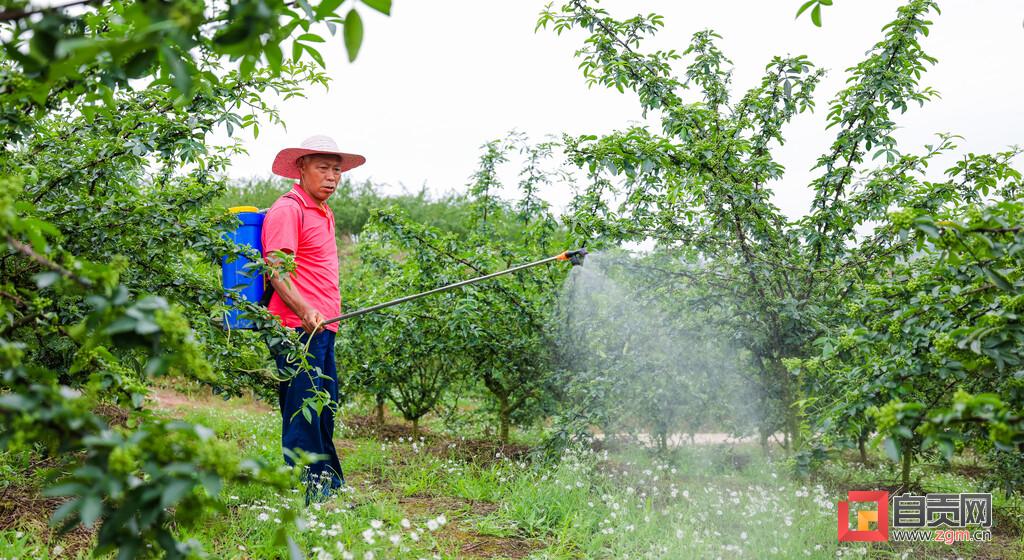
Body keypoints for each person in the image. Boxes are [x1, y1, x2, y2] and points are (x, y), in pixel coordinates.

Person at [262, 135, 365, 502]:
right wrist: (305, 310)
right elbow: (276, 269)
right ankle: (312, 492)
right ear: (301, 168)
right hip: (296, 329)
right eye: (323, 168)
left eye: (336, 170)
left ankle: (328, 486)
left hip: (322, 327)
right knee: (303, 410)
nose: (332, 177)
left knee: (323, 408)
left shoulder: (322, 211)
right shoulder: (288, 209)